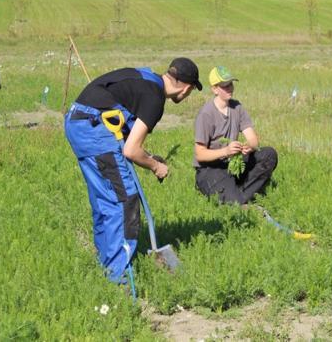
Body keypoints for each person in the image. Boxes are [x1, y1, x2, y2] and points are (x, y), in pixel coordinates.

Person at [64, 58, 202, 283]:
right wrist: (156, 166)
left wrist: (147, 157)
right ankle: (119, 279)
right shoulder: (155, 99)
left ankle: (105, 263)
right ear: (187, 88)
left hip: (77, 121)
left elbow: (129, 136)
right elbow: (130, 150)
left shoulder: (147, 77)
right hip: (93, 130)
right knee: (124, 200)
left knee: (106, 198)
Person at [193, 66, 278, 205]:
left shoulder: (237, 107)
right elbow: (200, 155)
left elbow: (253, 139)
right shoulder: (206, 114)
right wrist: (225, 151)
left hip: (233, 164)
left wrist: (249, 146)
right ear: (214, 89)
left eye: (230, 84)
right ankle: (238, 198)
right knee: (233, 201)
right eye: (225, 86)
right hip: (211, 169)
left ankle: (238, 195)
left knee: (268, 154)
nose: (230, 88)